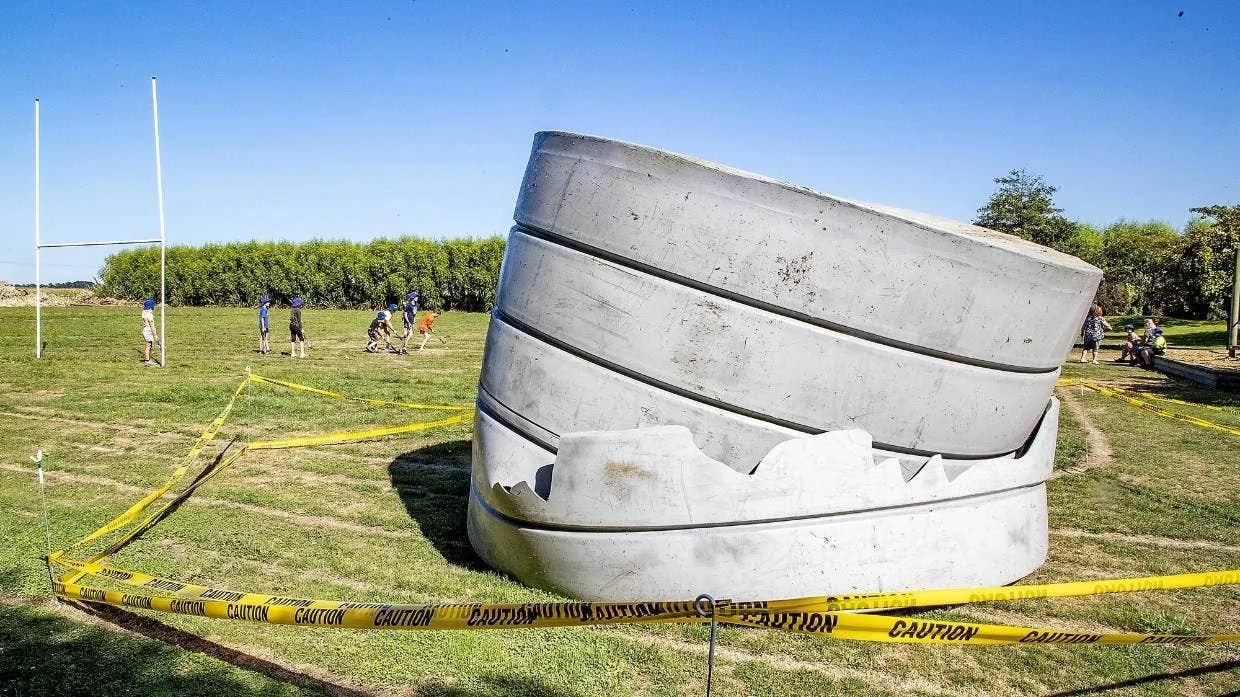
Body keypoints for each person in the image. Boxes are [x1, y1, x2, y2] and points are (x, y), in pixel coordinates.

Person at [140, 298, 159, 366]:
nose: (154, 307)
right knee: (148, 345)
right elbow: (152, 326)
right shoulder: (149, 315)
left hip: (146, 330)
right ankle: (147, 361)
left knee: (150, 345)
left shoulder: (144, 313)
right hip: (148, 331)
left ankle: (148, 359)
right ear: (151, 306)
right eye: (153, 305)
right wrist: (155, 335)